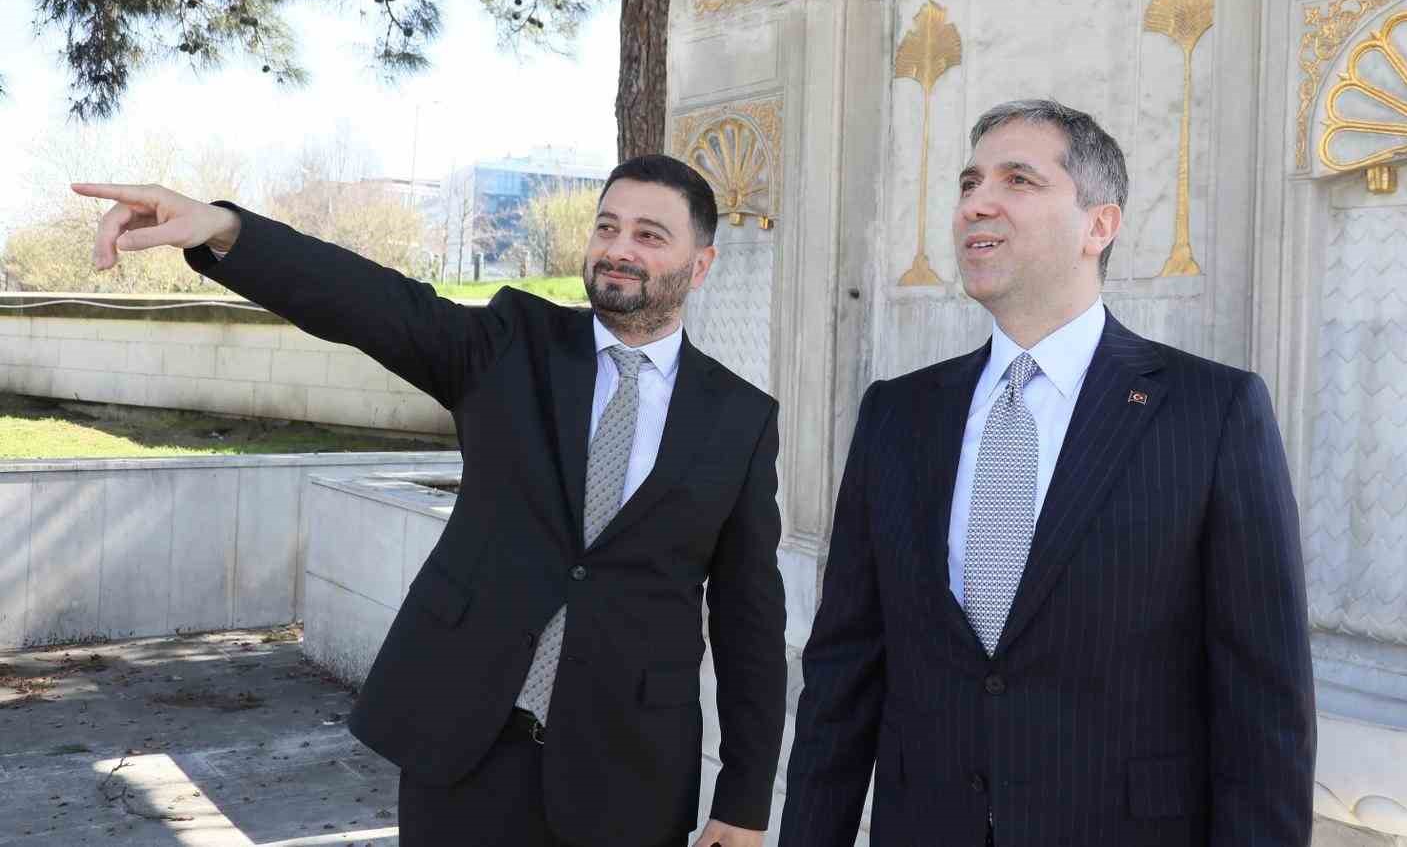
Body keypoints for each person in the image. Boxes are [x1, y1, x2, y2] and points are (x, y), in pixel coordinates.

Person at [74, 154, 786, 847]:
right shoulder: (513, 344)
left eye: (648, 235)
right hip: (468, 745)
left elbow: (749, 621)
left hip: (627, 771)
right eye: (607, 227)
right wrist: (225, 229)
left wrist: (746, 799)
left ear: (701, 264)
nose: (617, 249)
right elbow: (376, 303)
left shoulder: (739, 418)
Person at [779, 100, 1315, 847]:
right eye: (968, 183)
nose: (975, 204)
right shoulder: (896, 415)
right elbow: (843, 671)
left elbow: (1265, 704)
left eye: (1018, 180)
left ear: (1100, 225)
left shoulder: (1211, 412)